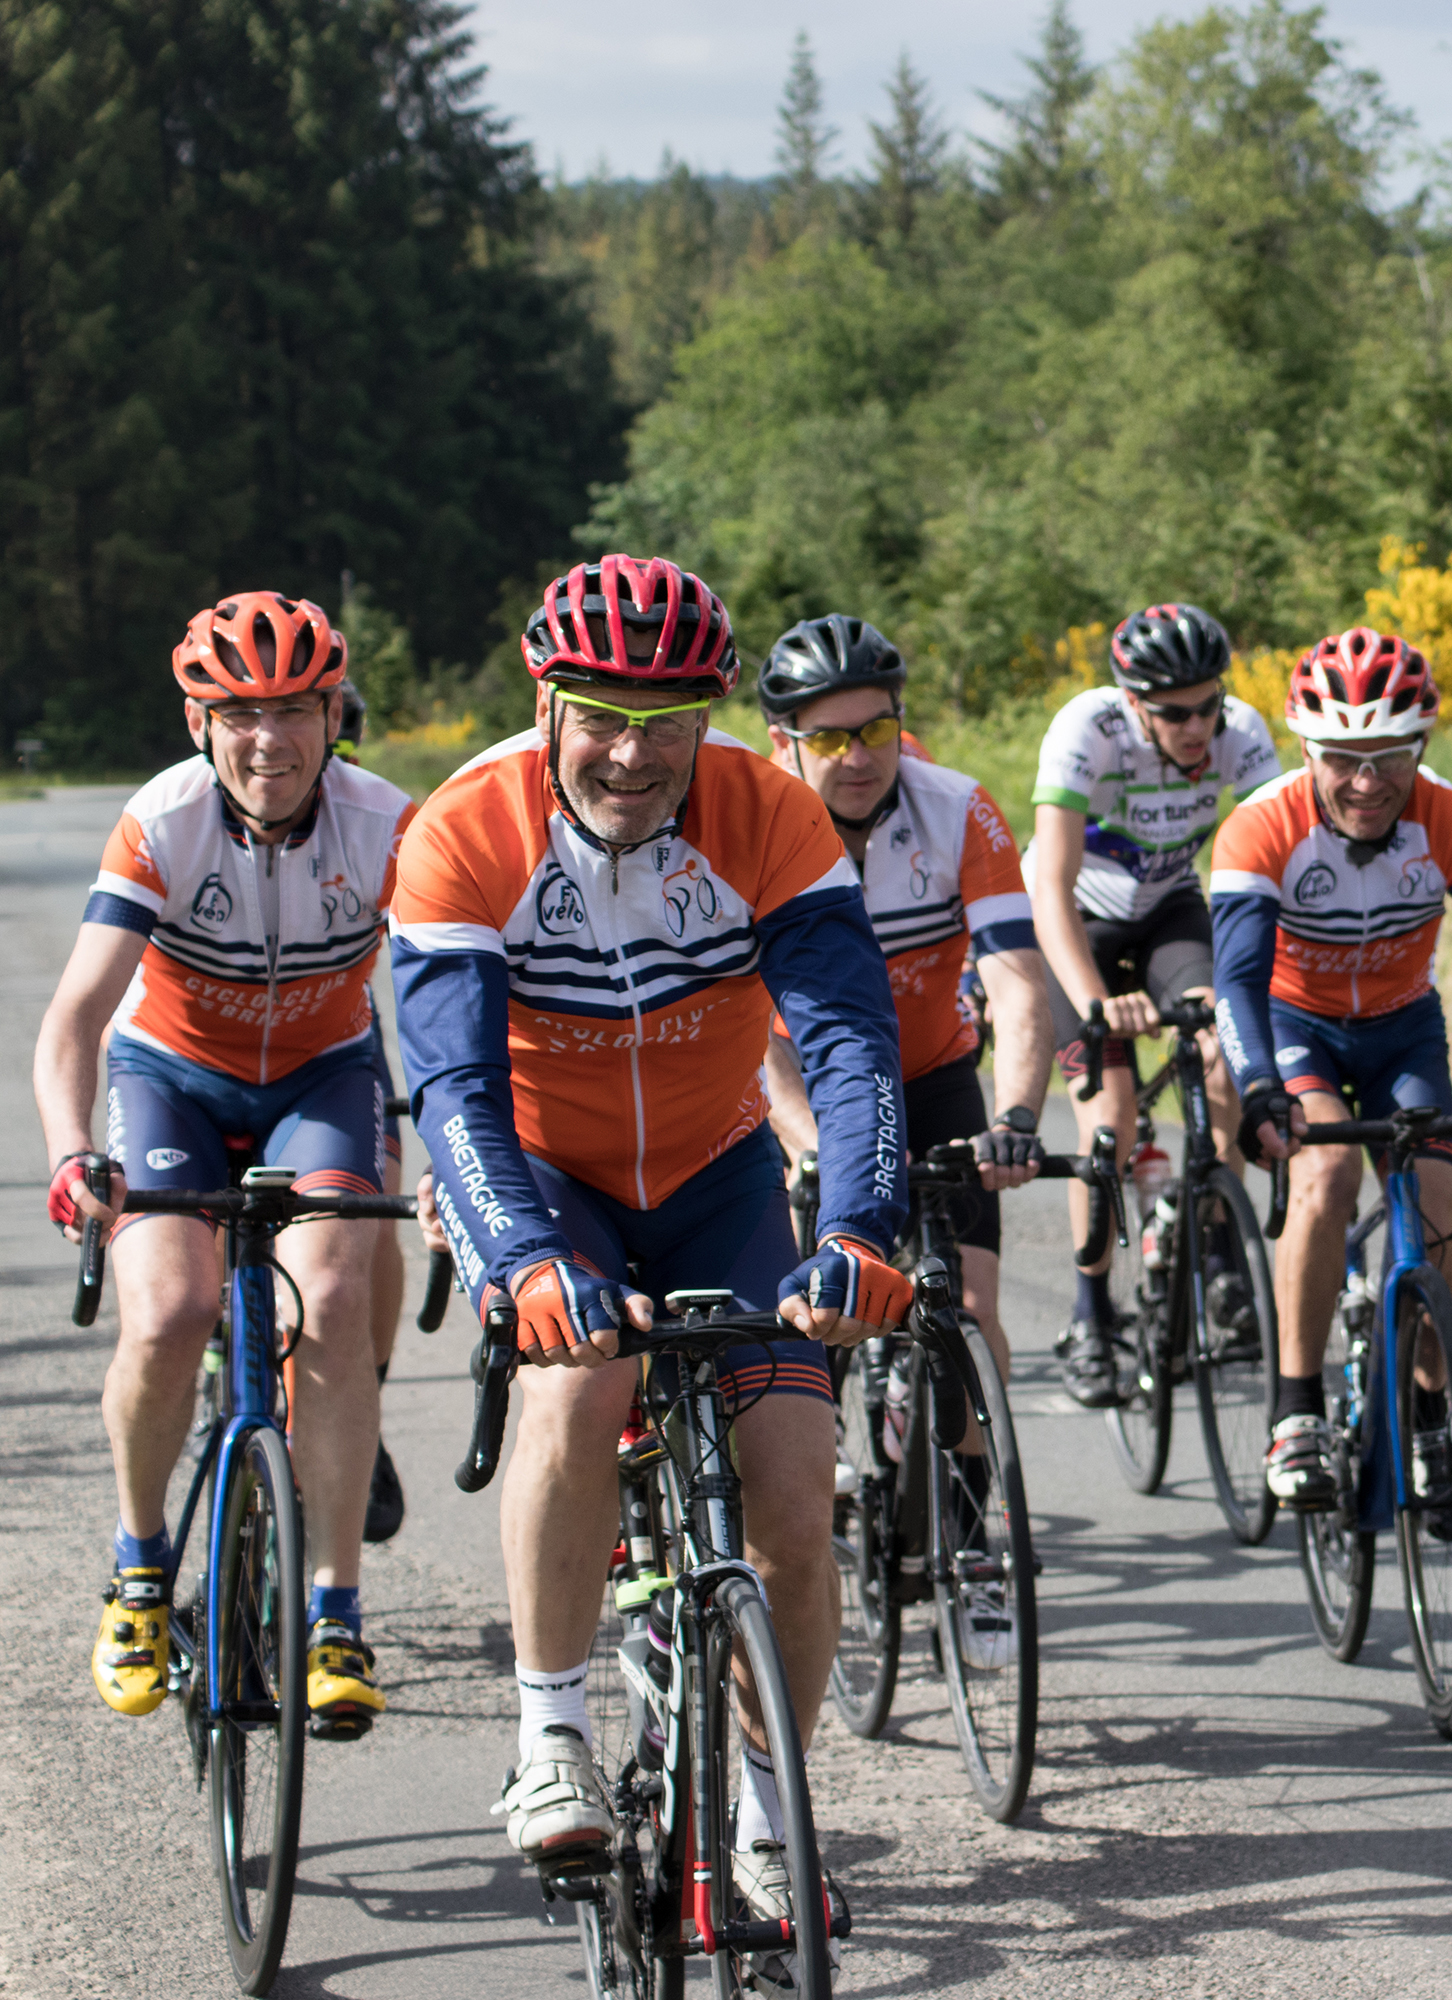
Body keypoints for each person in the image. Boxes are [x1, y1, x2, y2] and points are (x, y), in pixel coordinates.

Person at [388, 554, 908, 1956]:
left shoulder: (770, 814)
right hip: (548, 1179)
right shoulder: (465, 828)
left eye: (667, 721)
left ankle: (769, 1822)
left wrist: (860, 1224)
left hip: (718, 1176)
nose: (633, 754)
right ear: (545, 704)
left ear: (708, 718)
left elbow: (849, 1040)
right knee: (575, 1386)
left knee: (794, 1495)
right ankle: (550, 1733)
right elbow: (452, 1088)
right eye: (603, 718)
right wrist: (519, 1256)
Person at [34, 592, 413, 1738]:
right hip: (174, 1080)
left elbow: (455, 999)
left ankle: (334, 1612)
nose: (269, 738)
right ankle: (141, 1568)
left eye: (295, 709)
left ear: (334, 716)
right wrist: (71, 1151)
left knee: (332, 1301)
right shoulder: (163, 822)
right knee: (167, 1309)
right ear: (200, 722)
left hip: (322, 1077)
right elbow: (77, 1015)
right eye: (240, 712)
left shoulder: (389, 824)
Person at [1212, 627, 1452, 1505]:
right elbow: (1238, 979)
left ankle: (1429, 1407)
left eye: (1390, 758)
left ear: (1422, 746)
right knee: (1327, 1173)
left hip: (1403, 1030)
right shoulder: (1262, 825)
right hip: (1297, 1026)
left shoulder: (1451, 817)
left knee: (1438, 1214)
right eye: (1343, 759)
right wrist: (1259, 1087)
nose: (1367, 783)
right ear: (1306, 750)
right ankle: (1296, 1408)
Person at [756, 612, 1051, 1667]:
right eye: (829, 737)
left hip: (931, 1076)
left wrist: (1018, 1118)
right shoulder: (752, 820)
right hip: (798, 1079)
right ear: (783, 741)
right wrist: (808, 1140)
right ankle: (819, 1473)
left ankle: (970, 1537)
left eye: (875, 729)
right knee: (816, 1312)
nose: (857, 755)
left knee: (970, 1307)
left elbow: (1016, 977)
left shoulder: (957, 807)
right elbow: (744, 1030)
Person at [1028, 601, 1280, 1408]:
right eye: (1174, 714)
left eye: (1208, 706)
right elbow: (1050, 888)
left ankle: (1219, 1255)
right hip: (1080, 920)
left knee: (1225, 1054)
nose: (1197, 726)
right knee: (1112, 1118)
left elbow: (1275, 856)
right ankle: (1091, 1315)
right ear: (1133, 702)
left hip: (1170, 907)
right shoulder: (1087, 728)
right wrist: (1096, 1004)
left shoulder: (1242, 731)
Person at [330, 678, 413, 1546]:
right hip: (203, 1053)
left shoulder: (370, 818)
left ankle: (370, 1399)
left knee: (375, 1209)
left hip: (335, 1035)